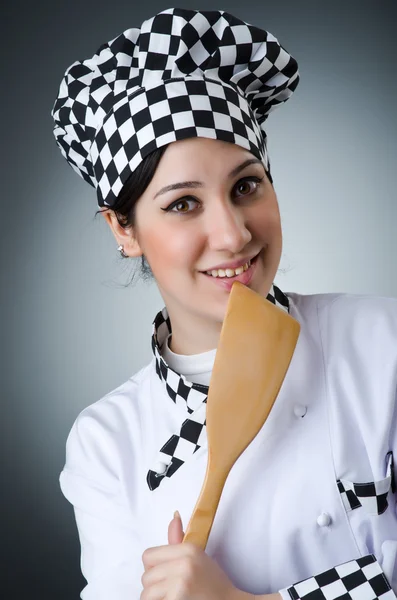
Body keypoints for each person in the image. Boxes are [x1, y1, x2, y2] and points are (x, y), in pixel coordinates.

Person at [51, 7, 397, 600]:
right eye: (183, 203)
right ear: (123, 229)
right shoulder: (106, 442)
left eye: (246, 186)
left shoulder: (382, 340)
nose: (234, 234)